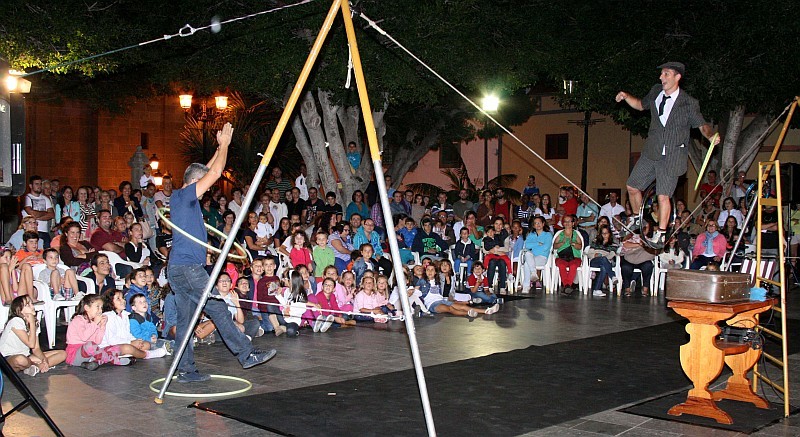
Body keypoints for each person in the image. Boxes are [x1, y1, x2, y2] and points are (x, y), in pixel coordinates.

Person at [168, 123, 275, 383]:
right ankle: (246, 354)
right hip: (188, 269)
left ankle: (185, 370)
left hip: (178, 270)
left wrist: (218, 148)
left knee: (185, 322)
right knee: (217, 308)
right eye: (202, 185)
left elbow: (206, 169)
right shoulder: (184, 196)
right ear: (194, 183)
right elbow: (214, 172)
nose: (206, 191)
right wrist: (226, 145)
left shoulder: (181, 198)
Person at [616, 61, 720, 246]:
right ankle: (640, 219)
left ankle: (662, 233)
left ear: (677, 77)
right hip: (652, 150)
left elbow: (702, 125)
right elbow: (640, 105)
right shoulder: (656, 91)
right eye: (661, 74)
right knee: (632, 186)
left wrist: (711, 135)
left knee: (663, 196)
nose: (661, 78)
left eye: (666, 74)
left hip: (672, 156)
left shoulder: (689, 103)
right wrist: (626, 96)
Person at [0, 295, 66, 376]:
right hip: (7, 358)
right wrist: (31, 323)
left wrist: (44, 360)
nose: (32, 306)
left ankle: (36, 367)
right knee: (20, 360)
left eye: (31, 303)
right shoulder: (16, 321)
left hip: (27, 357)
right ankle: (35, 365)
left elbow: (36, 348)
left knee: (63, 354)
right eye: (28, 305)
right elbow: (30, 344)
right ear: (19, 311)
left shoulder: (34, 323)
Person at [585, 226, 619, 297]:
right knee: (603, 260)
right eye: (603, 233)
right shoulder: (595, 242)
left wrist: (604, 258)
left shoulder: (613, 244)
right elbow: (589, 254)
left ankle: (596, 289)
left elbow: (611, 255)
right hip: (594, 260)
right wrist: (595, 255)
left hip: (605, 261)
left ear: (609, 234)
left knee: (603, 267)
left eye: (606, 233)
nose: (605, 235)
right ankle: (612, 275)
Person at [22, 175, 55, 248]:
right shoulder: (27, 197)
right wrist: (45, 212)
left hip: (44, 231)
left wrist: (36, 217)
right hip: (31, 231)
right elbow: (32, 213)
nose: (39, 186)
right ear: (30, 186)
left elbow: (52, 214)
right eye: (36, 184)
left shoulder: (45, 198)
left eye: (40, 184)